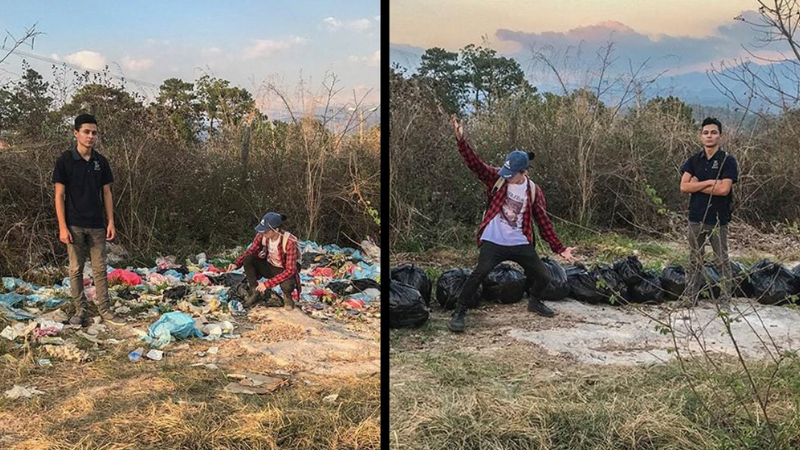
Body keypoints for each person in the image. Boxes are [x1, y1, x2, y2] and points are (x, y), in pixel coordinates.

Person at [449, 116, 577, 333]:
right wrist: (461, 140)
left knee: (544, 276)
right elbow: (475, 164)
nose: (506, 176)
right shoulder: (497, 178)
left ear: (523, 172)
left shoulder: (533, 191)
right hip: (494, 239)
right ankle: (459, 312)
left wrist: (560, 248)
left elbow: (543, 222)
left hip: (520, 241)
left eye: (511, 174)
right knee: (479, 273)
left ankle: (535, 302)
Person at [52, 113, 125, 326]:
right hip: (74, 224)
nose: (90, 136)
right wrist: (62, 227)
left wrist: (110, 221)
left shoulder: (100, 162)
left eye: (94, 132)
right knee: (75, 269)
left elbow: (107, 193)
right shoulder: (65, 161)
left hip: (97, 225)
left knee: (100, 269)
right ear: (76, 133)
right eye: (86, 132)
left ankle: (105, 310)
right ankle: (80, 310)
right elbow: (58, 195)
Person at [679, 117, 738, 309]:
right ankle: (690, 298)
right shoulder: (694, 160)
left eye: (713, 132)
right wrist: (709, 182)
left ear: (720, 136)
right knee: (695, 260)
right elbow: (684, 186)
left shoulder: (727, 161)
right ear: (700, 136)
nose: (709, 136)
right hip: (696, 218)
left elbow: (723, 190)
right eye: (706, 133)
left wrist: (696, 184)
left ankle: (724, 301)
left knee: (722, 261)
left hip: (718, 220)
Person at [227, 212, 301, 310]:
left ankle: (288, 299)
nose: (263, 233)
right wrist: (236, 264)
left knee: (287, 284)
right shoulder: (262, 236)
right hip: (270, 265)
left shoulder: (289, 242)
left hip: (284, 269)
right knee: (248, 258)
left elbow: (290, 270)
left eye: (266, 231)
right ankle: (255, 291)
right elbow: (251, 251)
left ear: (276, 230)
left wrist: (267, 284)